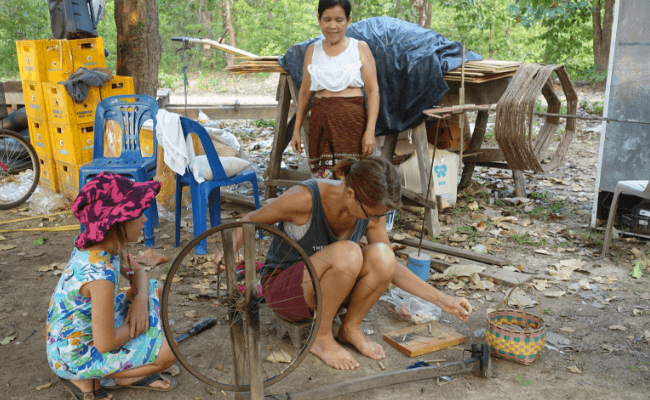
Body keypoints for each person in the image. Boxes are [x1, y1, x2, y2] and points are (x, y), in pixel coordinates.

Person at [216, 157, 472, 371]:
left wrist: (443, 300)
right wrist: (227, 253)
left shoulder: (371, 211)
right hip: (285, 292)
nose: (376, 219)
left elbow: (390, 268)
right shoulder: (306, 197)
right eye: (373, 213)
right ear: (350, 193)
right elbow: (249, 220)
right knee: (349, 253)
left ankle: (350, 327)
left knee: (383, 255)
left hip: (329, 289)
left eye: (379, 214)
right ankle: (321, 337)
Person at [46, 172, 177, 399]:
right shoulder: (101, 275)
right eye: (138, 214)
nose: (144, 219)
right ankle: (105, 378)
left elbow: (139, 272)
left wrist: (141, 301)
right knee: (168, 354)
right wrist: (141, 325)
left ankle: (108, 371)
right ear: (117, 222)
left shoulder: (105, 247)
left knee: (154, 287)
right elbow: (105, 343)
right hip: (74, 355)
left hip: (80, 332)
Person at [290, 0, 380, 179]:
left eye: (339, 20)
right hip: (320, 122)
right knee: (323, 181)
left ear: (348, 20)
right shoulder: (312, 51)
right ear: (319, 19)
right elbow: (305, 92)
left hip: (351, 124)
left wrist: (370, 131)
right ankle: (325, 208)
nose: (333, 26)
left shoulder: (359, 48)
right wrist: (296, 129)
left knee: (351, 179)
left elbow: (373, 91)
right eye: (327, 19)